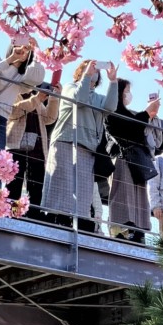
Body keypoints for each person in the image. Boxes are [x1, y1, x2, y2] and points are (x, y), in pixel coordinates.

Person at [41, 60, 118, 232]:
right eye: (89, 68)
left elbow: (110, 106)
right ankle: (57, 218)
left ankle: (78, 221)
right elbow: (79, 99)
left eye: (96, 69)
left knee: (83, 190)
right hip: (66, 140)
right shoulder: (70, 87)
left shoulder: (98, 98)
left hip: (88, 147)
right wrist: (87, 75)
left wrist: (113, 82)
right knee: (62, 183)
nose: (93, 71)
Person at [0, 35, 45, 188]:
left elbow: (37, 78)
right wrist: (12, 58)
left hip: (1, 118)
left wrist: (37, 52)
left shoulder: (22, 77)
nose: (22, 50)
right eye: (19, 45)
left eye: (26, 48)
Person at [106, 82, 163, 243]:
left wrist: (151, 116)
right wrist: (146, 113)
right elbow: (128, 131)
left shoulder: (129, 114)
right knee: (123, 195)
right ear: (119, 92)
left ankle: (138, 231)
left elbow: (153, 141)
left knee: (138, 197)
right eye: (126, 90)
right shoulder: (112, 112)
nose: (129, 94)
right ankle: (122, 230)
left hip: (137, 160)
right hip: (122, 158)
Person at [6, 80, 60, 220]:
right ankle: (10, 214)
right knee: (14, 185)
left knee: (36, 187)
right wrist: (37, 99)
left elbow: (49, 118)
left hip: (37, 150)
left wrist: (54, 97)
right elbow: (13, 112)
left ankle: (33, 216)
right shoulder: (15, 93)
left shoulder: (35, 98)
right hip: (17, 147)